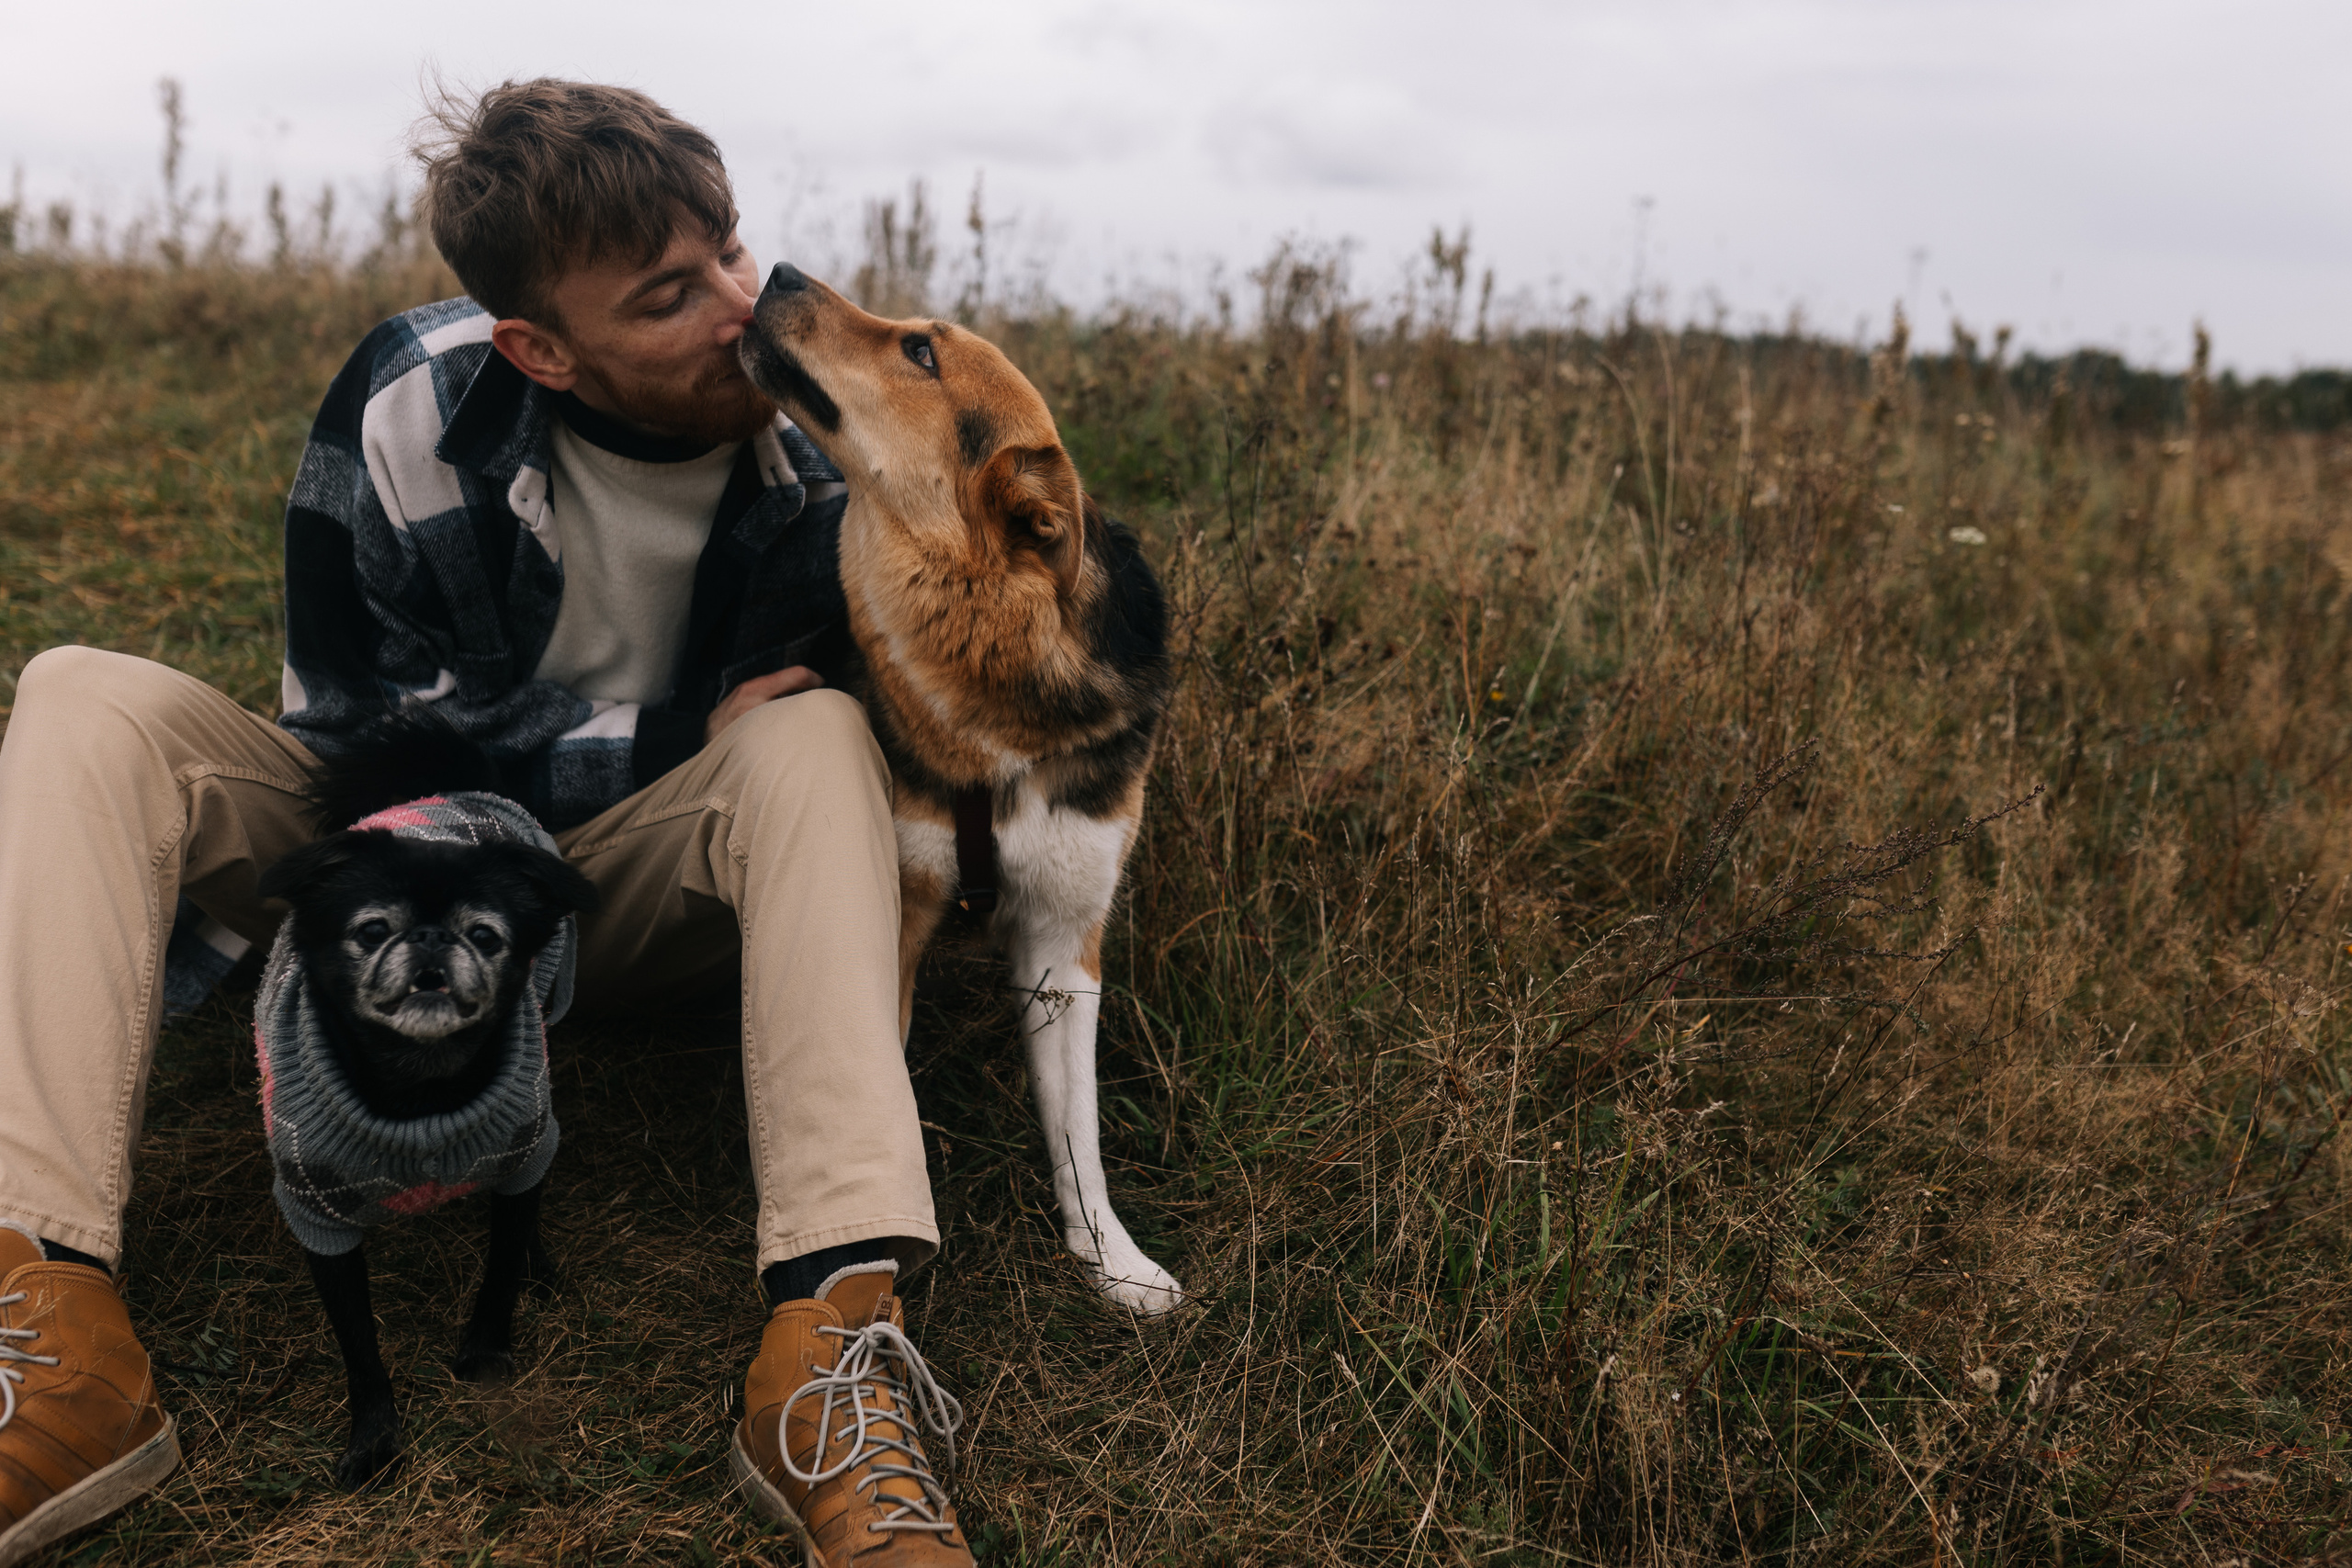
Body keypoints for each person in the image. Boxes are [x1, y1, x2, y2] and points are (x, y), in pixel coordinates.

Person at [0, 80, 974, 1565]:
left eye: (728, 248)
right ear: (540, 349)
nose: (739, 309)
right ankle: (50, 1325)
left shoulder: (819, 440)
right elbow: (364, 732)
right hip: (392, 853)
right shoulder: (415, 396)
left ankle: (829, 1343)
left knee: (814, 734)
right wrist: (659, 736)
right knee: (81, 694)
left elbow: (869, 735)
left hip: (637, 889)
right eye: (668, 296)